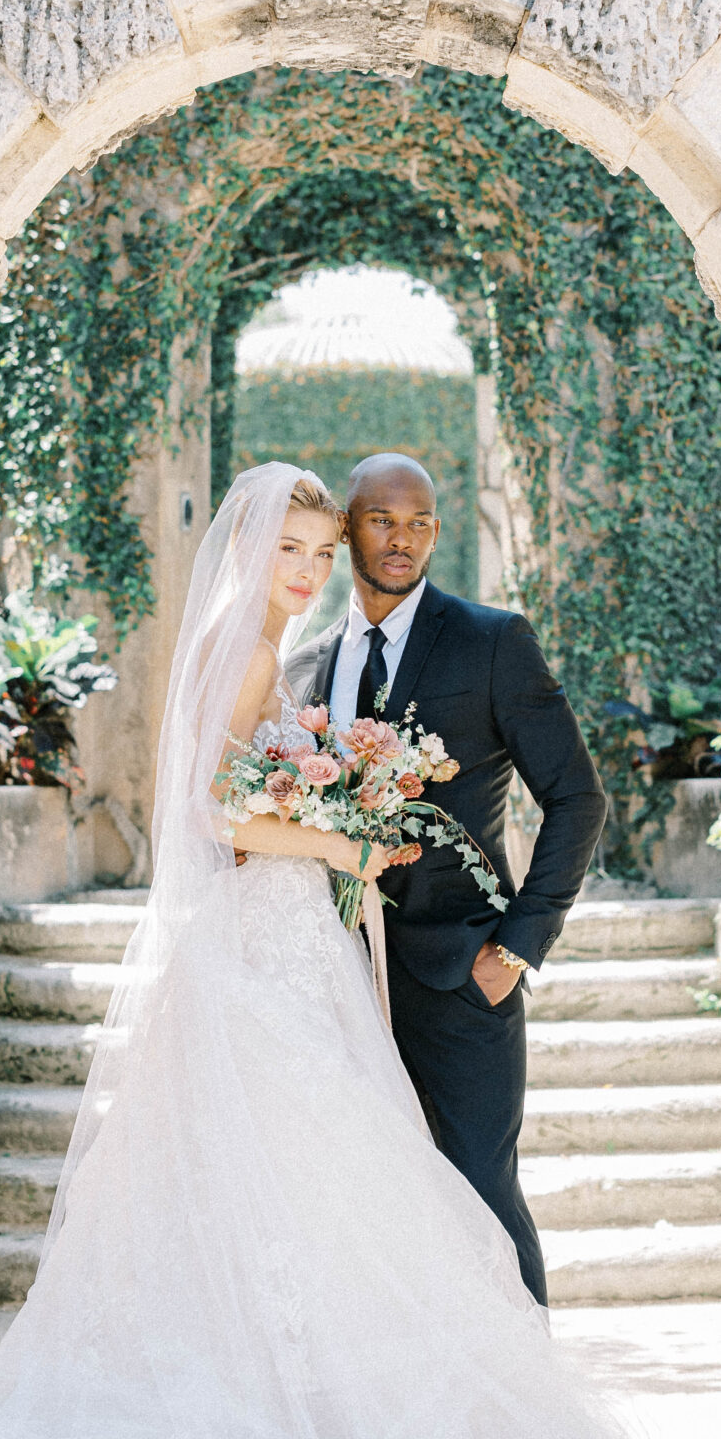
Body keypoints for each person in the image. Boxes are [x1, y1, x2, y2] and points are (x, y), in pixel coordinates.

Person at [0, 463, 705, 1439]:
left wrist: (514, 944)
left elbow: (570, 796)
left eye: (330, 545)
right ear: (257, 545)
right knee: (324, 1200)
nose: (321, 563)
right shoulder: (283, 654)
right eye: (305, 542)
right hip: (283, 960)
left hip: (417, 973)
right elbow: (227, 815)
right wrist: (338, 837)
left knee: (456, 1201)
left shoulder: (458, 644)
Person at [293, 453, 606, 1307]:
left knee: (479, 1195)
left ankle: (529, 1414)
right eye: (383, 521)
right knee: (367, 1207)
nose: (403, 539)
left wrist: (516, 944)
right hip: (339, 981)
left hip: (465, 975)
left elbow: (578, 798)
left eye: (421, 522)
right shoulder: (309, 665)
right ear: (348, 527)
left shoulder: (490, 640)